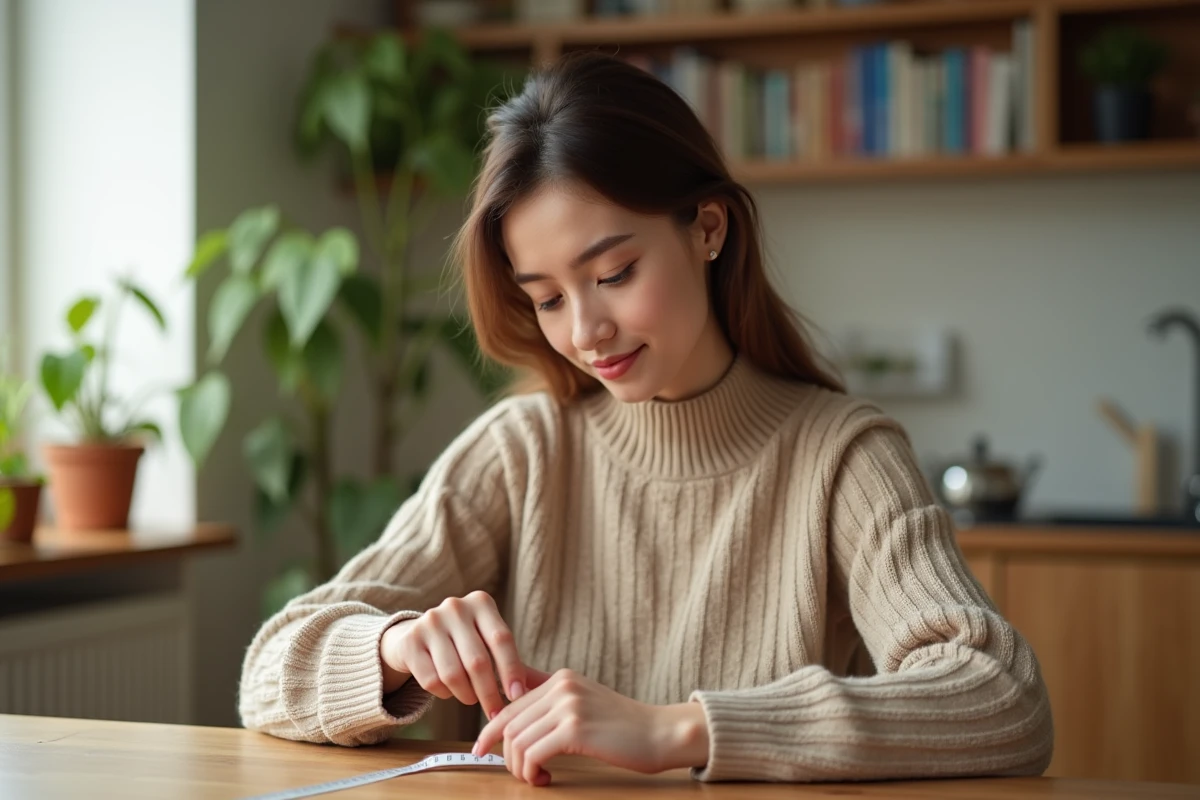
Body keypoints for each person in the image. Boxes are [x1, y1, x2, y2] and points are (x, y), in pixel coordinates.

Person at [239, 52, 1053, 787]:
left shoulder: (842, 457)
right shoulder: (522, 450)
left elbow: (1003, 696)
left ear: (707, 228)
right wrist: (390, 651)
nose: (585, 332)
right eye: (549, 297)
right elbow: (267, 674)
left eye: (615, 272)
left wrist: (679, 730)